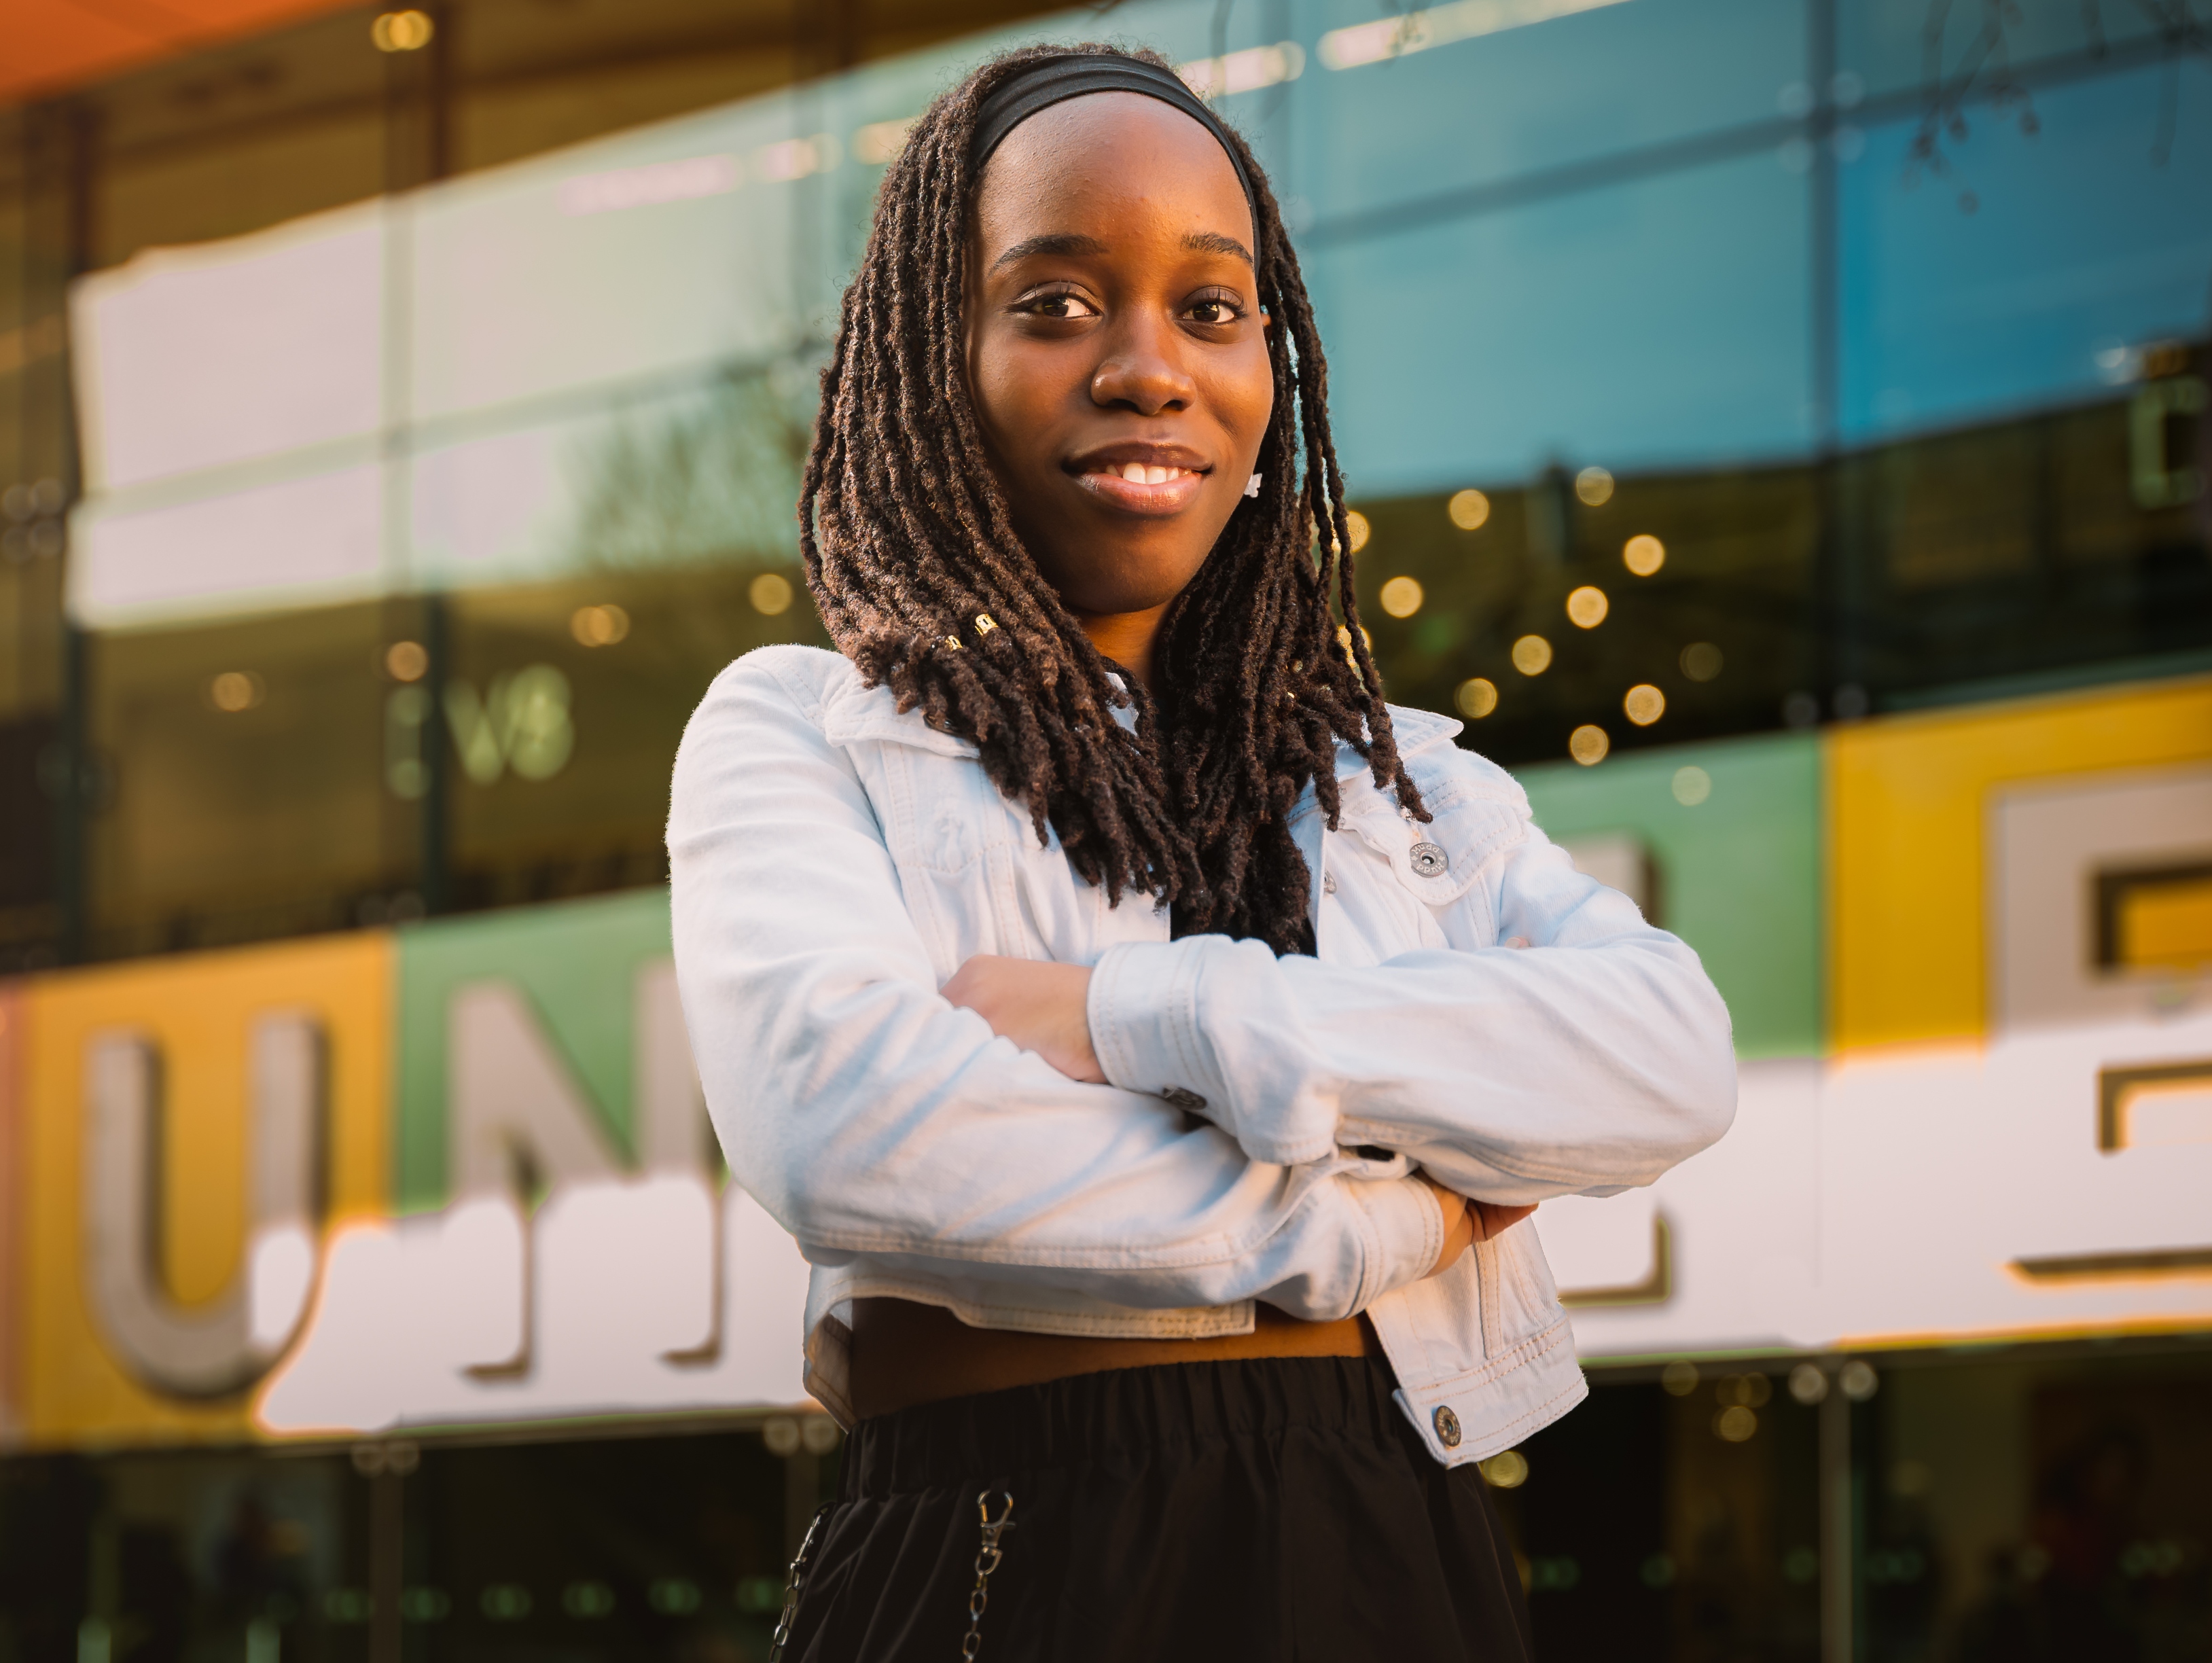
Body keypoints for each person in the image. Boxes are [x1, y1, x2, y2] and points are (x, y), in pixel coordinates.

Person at [667, 42, 1736, 1661]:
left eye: (1211, 307)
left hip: (1389, 1542)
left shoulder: (1391, 778)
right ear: (931, 362)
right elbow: (857, 1138)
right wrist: (1383, 1225)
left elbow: (1665, 1054)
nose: (1148, 368)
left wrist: (1138, 1016)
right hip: (999, 1546)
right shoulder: (802, 730)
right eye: (1053, 303)